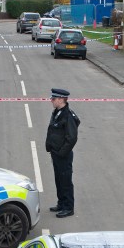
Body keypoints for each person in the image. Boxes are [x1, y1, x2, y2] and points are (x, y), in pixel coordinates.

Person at [44, 88, 79, 218]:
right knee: (59, 180)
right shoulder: (58, 112)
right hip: (56, 153)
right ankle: (61, 203)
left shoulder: (68, 115)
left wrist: (61, 152)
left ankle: (69, 207)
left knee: (66, 181)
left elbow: (72, 138)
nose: (51, 100)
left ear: (61, 99)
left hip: (63, 155)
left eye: (53, 99)